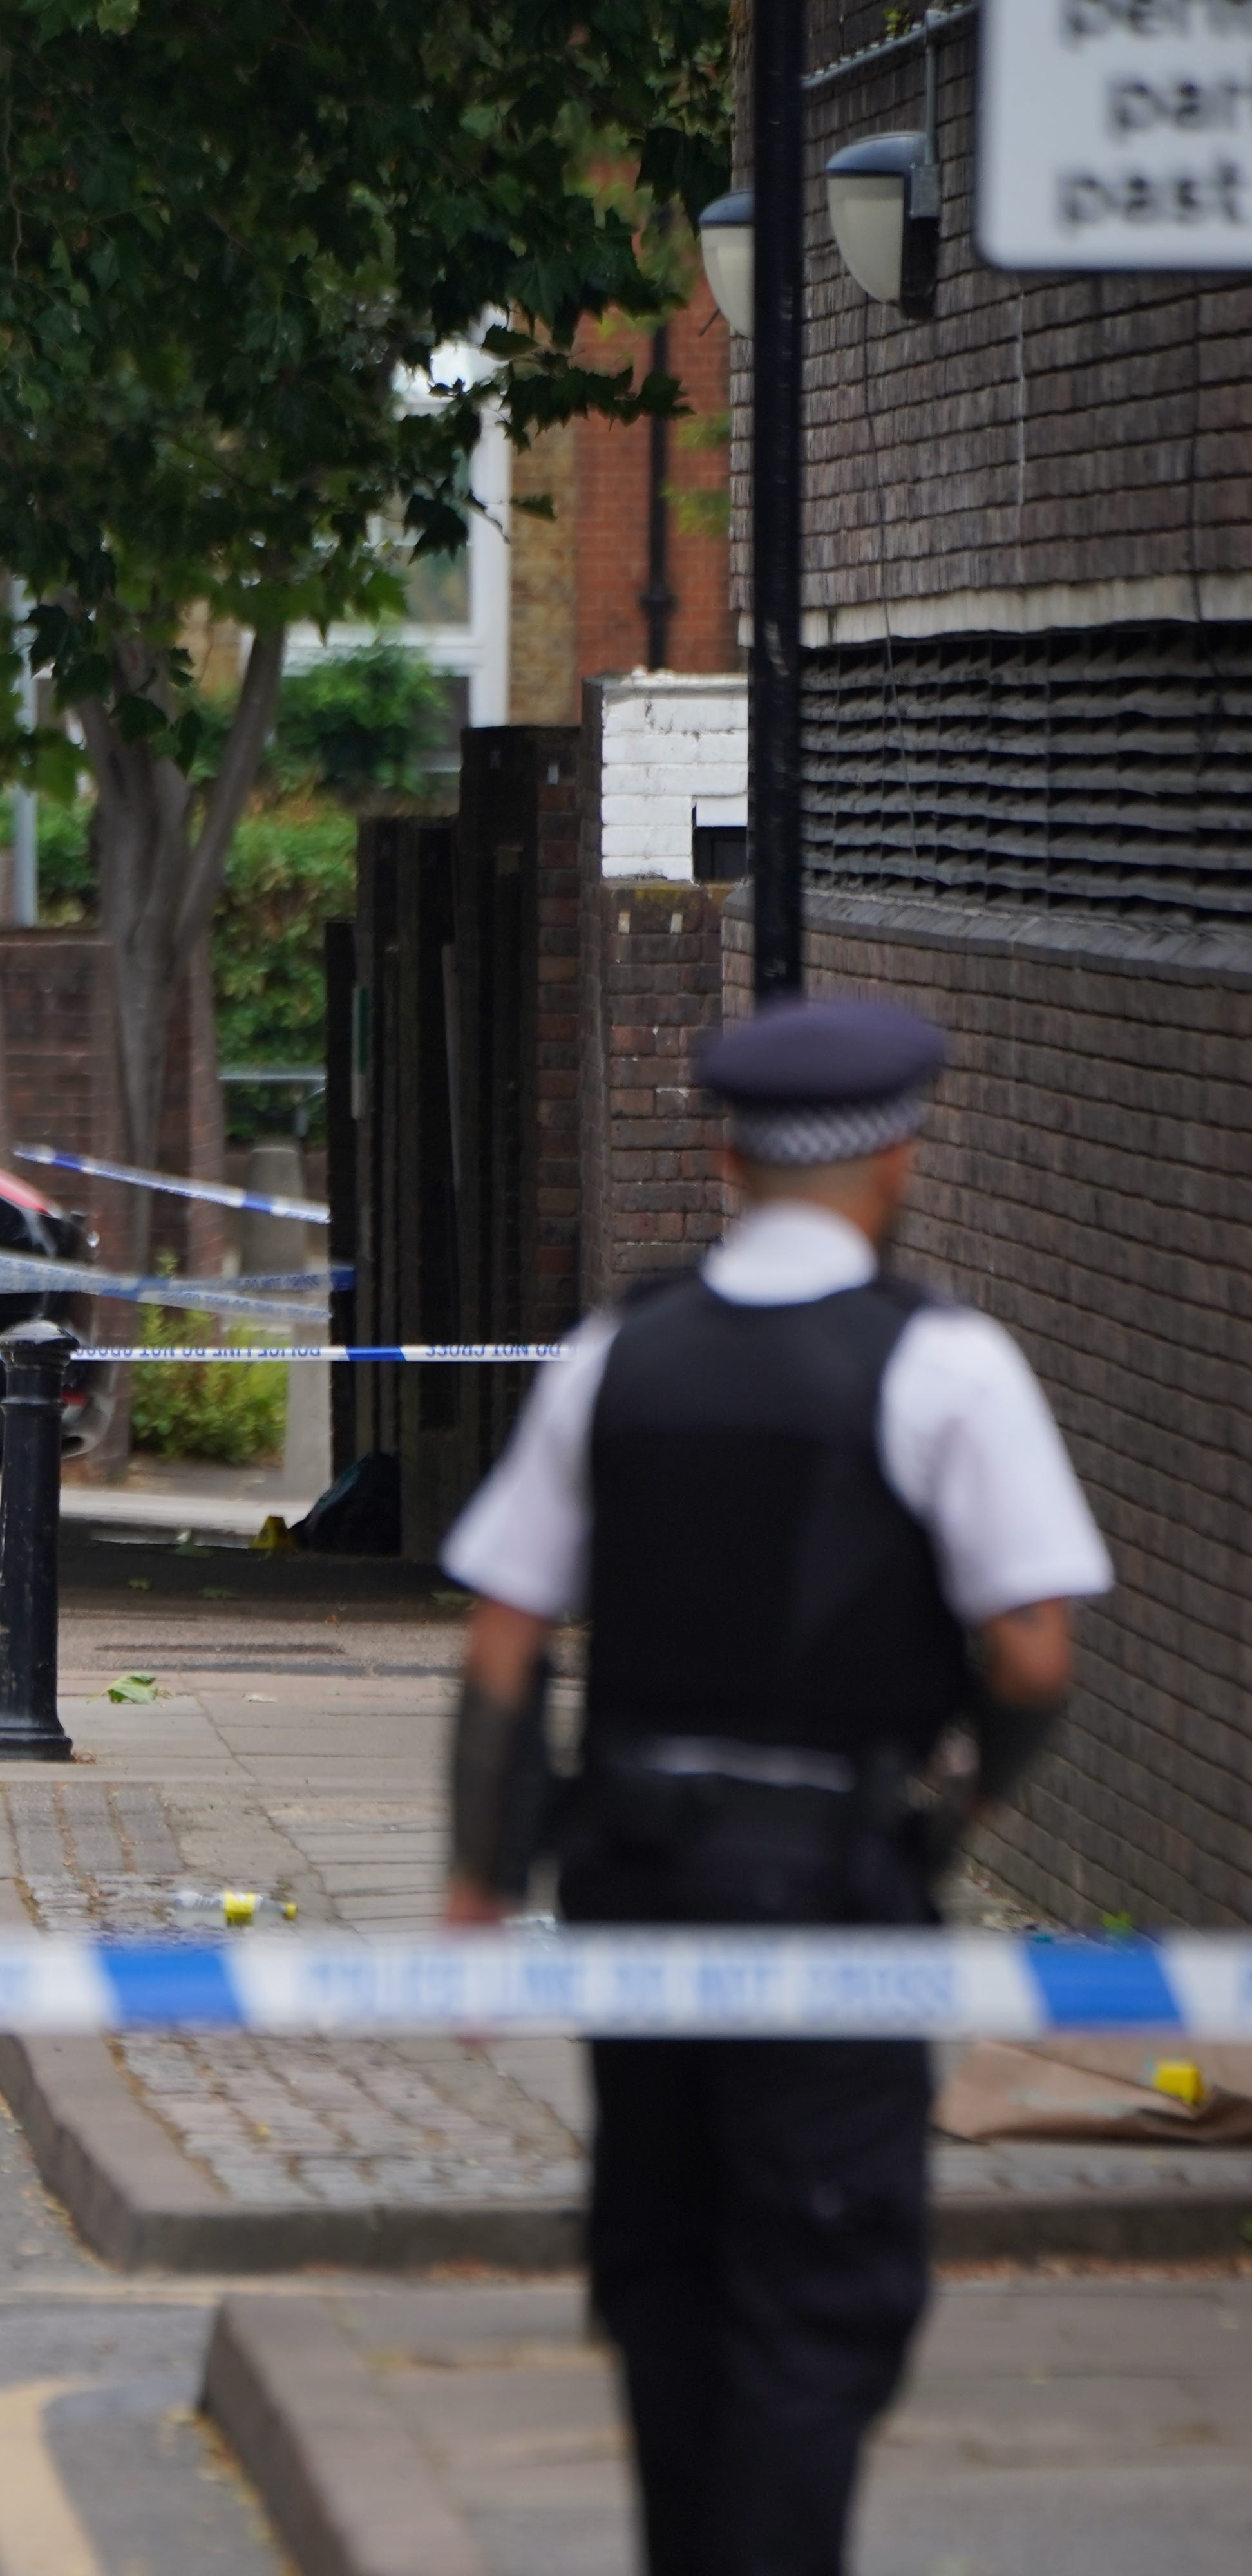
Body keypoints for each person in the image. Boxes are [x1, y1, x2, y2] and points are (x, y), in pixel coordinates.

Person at [439, 996, 1111, 2576]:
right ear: (896, 1161)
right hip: (831, 1886)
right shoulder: (943, 1362)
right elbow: (1030, 1651)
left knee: (667, 2266)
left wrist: (482, 1880)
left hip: (633, 1879)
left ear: (729, 1160)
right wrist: (964, 1813)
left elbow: (502, 1642)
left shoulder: (620, 1350)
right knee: (819, 2286)